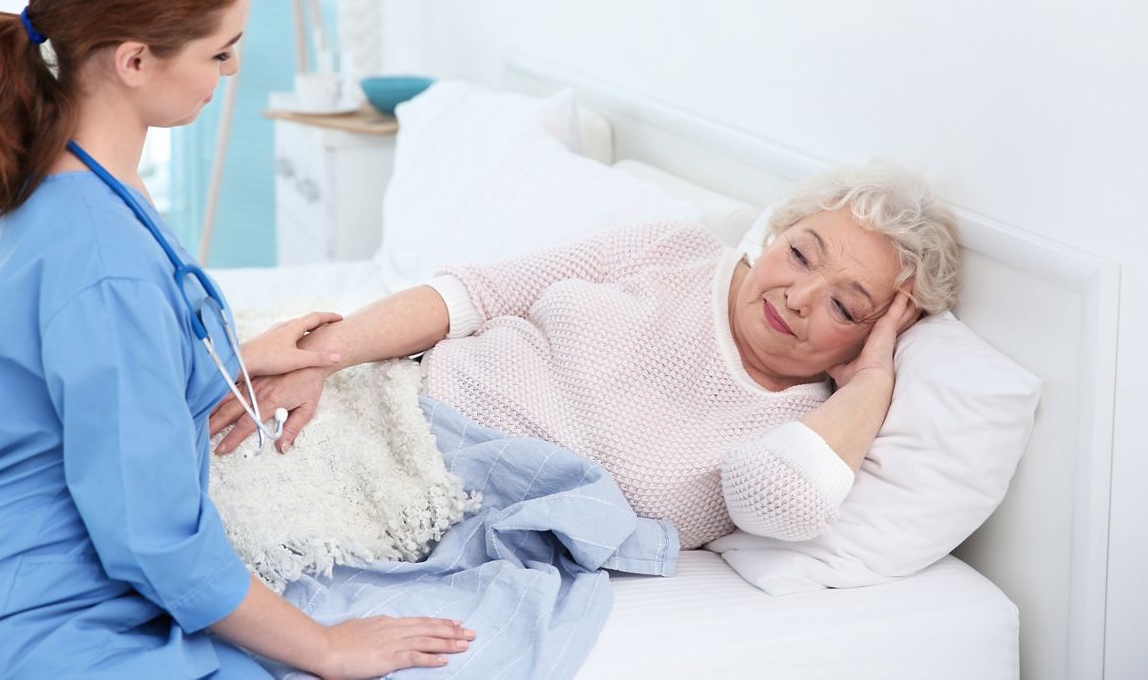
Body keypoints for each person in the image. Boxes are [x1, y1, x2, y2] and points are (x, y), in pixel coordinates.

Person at [0, 0, 473, 679]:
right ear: (134, 60)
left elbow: (94, 385)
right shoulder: (102, 260)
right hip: (20, 634)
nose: (229, 72)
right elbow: (152, 535)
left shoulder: (61, 184)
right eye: (219, 52)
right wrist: (327, 646)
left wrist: (236, 358)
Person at [211, 163, 960, 550]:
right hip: (385, 384)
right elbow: (474, 293)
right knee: (185, 404)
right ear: (778, 233)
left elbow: (779, 506)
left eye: (844, 305)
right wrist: (322, 357)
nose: (799, 296)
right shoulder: (675, 249)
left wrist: (873, 377)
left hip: (423, 492)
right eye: (801, 253)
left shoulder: (805, 424)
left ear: (868, 334)